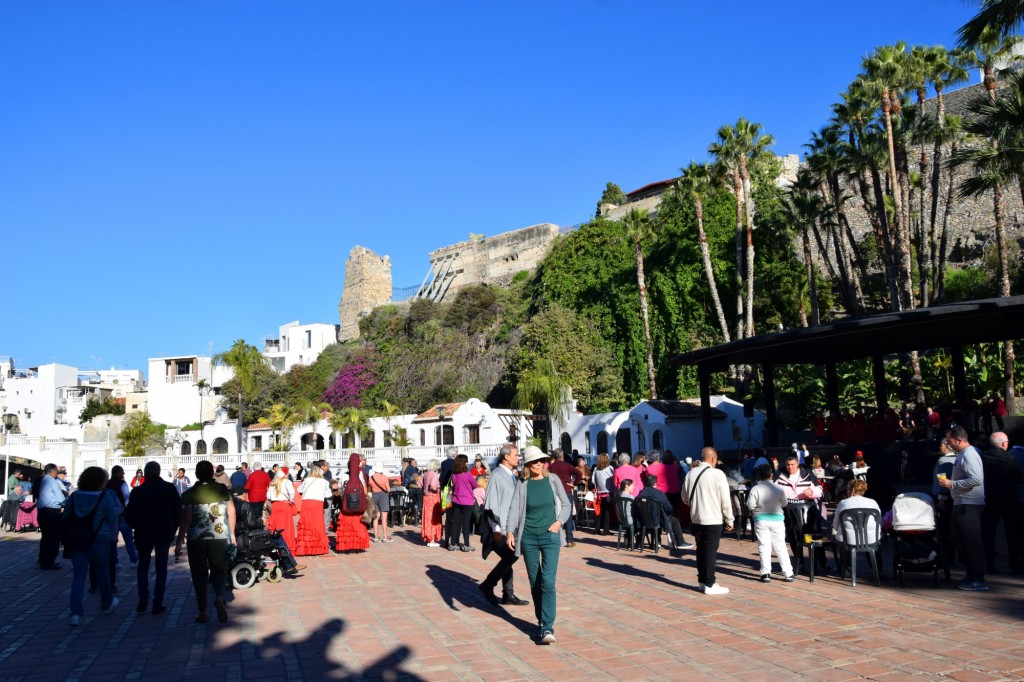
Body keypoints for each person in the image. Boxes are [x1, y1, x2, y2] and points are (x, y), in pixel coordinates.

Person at [505, 446, 571, 644]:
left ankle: (548, 627)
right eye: (534, 462)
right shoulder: (523, 484)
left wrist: (558, 523)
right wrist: (510, 531)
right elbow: (515, 509)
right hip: (528, 538)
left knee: (548, 582)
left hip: (550, 536)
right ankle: (542, 623)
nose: (538, 464)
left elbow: (566, 504)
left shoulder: (553, 480)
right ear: (528, 465)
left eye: (541, 460)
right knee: (535, 582)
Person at [177, 460, 235, 624]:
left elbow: (186, 519)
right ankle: (218, 596)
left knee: (199, 574)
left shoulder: (189, 494)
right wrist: (231, 534)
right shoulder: (222, 489)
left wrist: (180, 540)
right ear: (211, 473)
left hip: (196, 539)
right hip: (219, 538)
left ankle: (202, 611)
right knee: (220, 569)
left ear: (196, 474)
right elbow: (231, 511)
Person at [64, 466, 120, 625]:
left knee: (79, 575)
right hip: (99, 538)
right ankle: (107, 603)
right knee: (102, 572)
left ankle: (76, 613)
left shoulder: (74, 497)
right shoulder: (104, 497)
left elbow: (66, 516)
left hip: (77, 539)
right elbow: (110, 519)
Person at [125, 461, 180, 615]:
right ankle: (158, 602)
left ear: (145, 473)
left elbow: (129, 517)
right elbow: (178, 512)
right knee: (161, 567)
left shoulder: (137, 492)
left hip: (143, 533)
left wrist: (138, 525)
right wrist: (173, 529)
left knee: (143, 566)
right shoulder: (168, 489)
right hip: (163, 533)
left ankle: (143, 597)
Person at [479, 444, 529, 608]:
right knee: (512, 555)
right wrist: (496, 529)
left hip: (510, 526)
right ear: (506, 456)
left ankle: (508, 594)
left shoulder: (511, 475)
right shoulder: (497, 475)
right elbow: (491, 503)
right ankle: (488, 584)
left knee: (508, 558)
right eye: (515, 455)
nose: (518, 458)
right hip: (499, 528)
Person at [938, 426, 988, 591]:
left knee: (972, 541)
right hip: (962, 502)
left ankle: (979, 578)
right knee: (957, 537)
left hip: (970, 503)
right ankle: (972, 573)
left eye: (950, 441)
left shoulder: (969, 454)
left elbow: (976, 479)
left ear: (959, 440)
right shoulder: (963, 454)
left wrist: (952, 484)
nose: (949, 444)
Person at [681, 447, 734, 595]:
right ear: (713, 459)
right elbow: (725, 500)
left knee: (701, 549)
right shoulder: (717, 474)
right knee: (710, 550)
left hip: (696, 517)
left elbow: (684, 497)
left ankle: (702, 581)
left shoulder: (690, 474)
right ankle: (710, 583)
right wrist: (730, 519)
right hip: (713, 518)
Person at [775, 453, 825, 575]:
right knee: (793, 536)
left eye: (792, 465)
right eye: (787, 465)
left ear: (797, 464)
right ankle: (800, 562)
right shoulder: (779, 475)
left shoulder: (807, 474)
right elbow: (773, 489)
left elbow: (820, 490)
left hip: (808, 508)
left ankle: (822, 562)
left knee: (814, 534)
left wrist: (811, 492)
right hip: (789, 509)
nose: (790, 467)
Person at [980, 432, 1021, 574]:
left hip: (989, 498)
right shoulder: (1009, 458)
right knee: (1013, 533)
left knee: (988, 533)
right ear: (1004, 444)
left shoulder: (982, 458)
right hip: (1008, 499)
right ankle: (1015, 564)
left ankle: (990, 564)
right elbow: (1017, 478)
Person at [747, 463, 794, 582]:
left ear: (758, 476)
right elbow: (784, 504)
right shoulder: (778, 488)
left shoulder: (755, 489)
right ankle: (788, 573)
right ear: (771, 475)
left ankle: (766, 573)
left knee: (764, 546)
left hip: (761, 520)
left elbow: (750, 505)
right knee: (781, 546)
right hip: (777, 519)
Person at [831, 479, 881, 571]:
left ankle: (847, 570)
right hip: (871, 539)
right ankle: (878, 569)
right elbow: (879, 521)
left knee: (843, 539)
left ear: (852, 490)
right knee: (871, 543)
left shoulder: (843, 503)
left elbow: (836, 524)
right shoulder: (873, 502)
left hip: (849, 540)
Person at [635, 473, 694, 550]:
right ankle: (680, 542)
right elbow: (668, 507)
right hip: (658, 520)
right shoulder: (658, 493)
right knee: (675, 521)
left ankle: (658, 542)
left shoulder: (640, 494)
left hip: (643, 520)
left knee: (659, 517)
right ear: (655, 483)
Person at [336, 453, 370, 552]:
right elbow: (364, 488)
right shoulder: (360, 473)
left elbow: (340, 489)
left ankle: (347, 546)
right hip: (358, 505)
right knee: (358, 525)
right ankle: (357, 545)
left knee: (347, 526)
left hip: (347, 505)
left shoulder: (344, 475)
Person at [547, 449, 580, 547]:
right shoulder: (566, 465)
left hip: (555, 491)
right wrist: (574, 484)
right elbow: (579, 473)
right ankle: (569, 539)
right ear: (562, 456)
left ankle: (556, 537)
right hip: (566, 490)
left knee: (556, 513)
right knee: (568, 515)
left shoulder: (550, 467)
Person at [295, 465, 330, 556]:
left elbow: (299, 489)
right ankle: (318, 547)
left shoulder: (307, 480)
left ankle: (305, 547)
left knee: (306, 524)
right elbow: (328, 494)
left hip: (307, 503)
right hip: (318, 503)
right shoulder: (324, 481)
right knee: (317, 524)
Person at [37, 463, 65, 570]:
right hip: (52, 512)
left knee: (45, 537)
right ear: (53, 471)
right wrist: (65, 504)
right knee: (54, 537)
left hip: (42, 511)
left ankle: (43, 560)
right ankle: (49, 561)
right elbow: (60, 497)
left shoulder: (41, 480)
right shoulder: (52, 481)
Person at [447, 455, 476, 551]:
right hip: (467, 501)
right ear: (464, 463)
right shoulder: (467, 475)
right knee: (466, 523)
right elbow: (475, 485)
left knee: (455, 522)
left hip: (456, 500)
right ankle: (466, 544)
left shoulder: (453, 474)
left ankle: (453, 543)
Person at [266, 467, 297, 552]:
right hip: (285, 505)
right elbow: (292, 492)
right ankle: (288, 545)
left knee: (277, 526)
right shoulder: (287, 482)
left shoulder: (273, 482)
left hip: (275, 505)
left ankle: (276, 545)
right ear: (285, 474)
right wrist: (291, 500)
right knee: (287, 526)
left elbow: (268, 496)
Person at [367, 463, 394, 543]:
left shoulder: (370, 478)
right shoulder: (384, 478)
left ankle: (376, 537)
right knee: (384, 518)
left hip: (374, 495)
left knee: (376, 517)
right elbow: (388, 489)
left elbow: (370, 487)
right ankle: (385, 537)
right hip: (383, 495)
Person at [591, 454, 615, 535]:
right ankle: (606, 529)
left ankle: (597, 528)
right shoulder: (610, 468)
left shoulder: (595, 469)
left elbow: (593, 481)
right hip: (608, 492)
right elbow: (612, 480)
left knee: (600, 511)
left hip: (599, 492)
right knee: (607, 511)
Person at [439, 446, 458, 548]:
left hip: (446, 491)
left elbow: (441, 478)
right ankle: (453, 540)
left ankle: (447, 540)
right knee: (455, 516)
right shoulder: (456, 463)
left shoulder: (443, 463)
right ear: (454, 454)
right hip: (454, 491)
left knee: (448, 515)